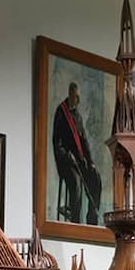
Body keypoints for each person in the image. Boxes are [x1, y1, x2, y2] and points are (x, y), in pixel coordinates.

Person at [52, 79, 102, 225]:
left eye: (79, 97)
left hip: (79, 160)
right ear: (70, 94)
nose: (78, 100)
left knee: (96, 178)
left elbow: (84, 141)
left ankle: (92, 220)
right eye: (76, 97)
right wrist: (67, 156)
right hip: (66, 162)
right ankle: (76, 223)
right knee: (76, 183)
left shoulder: (77, 116)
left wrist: (90, 162)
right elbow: (57, 143)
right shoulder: (61, 112)